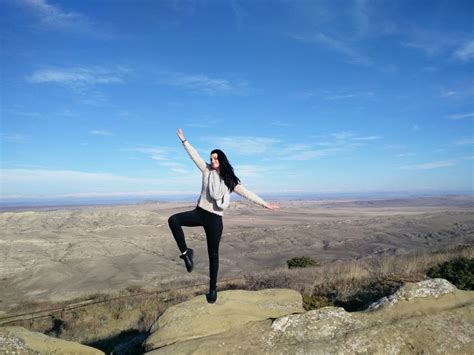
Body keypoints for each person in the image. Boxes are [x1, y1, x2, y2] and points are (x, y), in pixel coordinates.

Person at [168, 128, 280, 304]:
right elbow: (194, 155)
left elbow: (246, 193)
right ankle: (186, 253)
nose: (212, 160)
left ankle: (213, 289)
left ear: (221, 160)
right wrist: (184, 141)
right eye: (211, 158)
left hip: (215, 219)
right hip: (199, 213)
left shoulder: (229, 180)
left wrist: (265, 204)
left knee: (213, 255)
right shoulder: (206, 171)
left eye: (215, 158)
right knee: (173, 220)